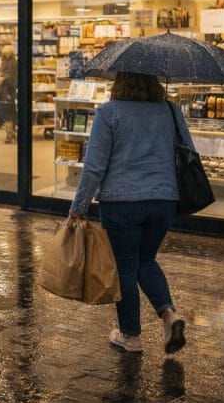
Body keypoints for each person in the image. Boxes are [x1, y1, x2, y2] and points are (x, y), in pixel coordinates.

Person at [69, 71, 190, 355]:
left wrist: (79, 206)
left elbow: (95, 166)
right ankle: (169, 316)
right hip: (164, 198)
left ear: (119, 83)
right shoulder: (171, 111)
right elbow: (187, 151)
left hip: (121, 200)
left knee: (124, 265)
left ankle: (131, 336)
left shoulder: (109, 113)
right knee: (145, 259)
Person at [0, 46, 17, 144]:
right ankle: (10, 133)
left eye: (8, 53)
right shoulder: (3, 62)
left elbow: (13, 77)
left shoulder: (14, 63)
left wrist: (3, 78)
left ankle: (10, 134)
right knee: (6, 112)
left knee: (9, 112)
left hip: (9, 90)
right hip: (3, 90)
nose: (6, 55)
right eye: (5, 54)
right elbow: (2, 73)